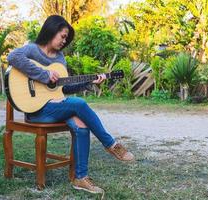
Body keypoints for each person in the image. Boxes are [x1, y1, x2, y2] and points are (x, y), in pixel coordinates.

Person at [7, 15, 134, 195]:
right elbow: (13, 57)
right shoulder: (32, 50)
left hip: (56, 107)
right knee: (80, 104)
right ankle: (111, 145)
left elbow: (63, 88)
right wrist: (44, 75)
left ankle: (80, 178)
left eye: (66, 38)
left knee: (81, 122)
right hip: (36, 111)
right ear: (51, 31)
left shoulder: (60, 58)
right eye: (62, 36)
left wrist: (90, 82)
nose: (64, 41)